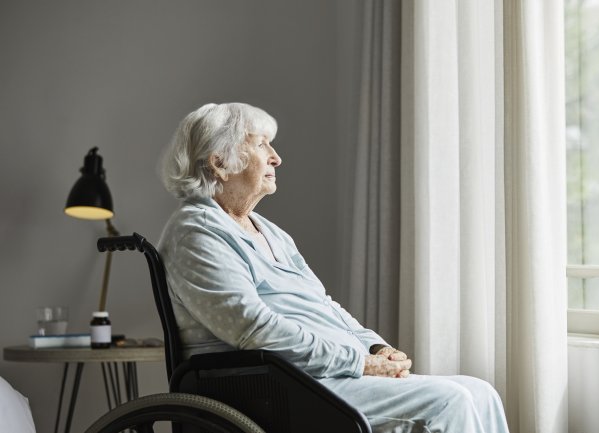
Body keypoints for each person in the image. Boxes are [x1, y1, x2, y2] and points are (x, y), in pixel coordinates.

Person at [158, 102, 510, 433]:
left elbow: (324, 305)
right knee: (449, 403)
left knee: (480, 392)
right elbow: (253, 329)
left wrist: (373, 348)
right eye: (262, 145)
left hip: (319, 376)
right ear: (219, 163)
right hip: (269, 387)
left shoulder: (268, 230)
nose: (277, 158)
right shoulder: (196, 231)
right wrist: (359, 364)